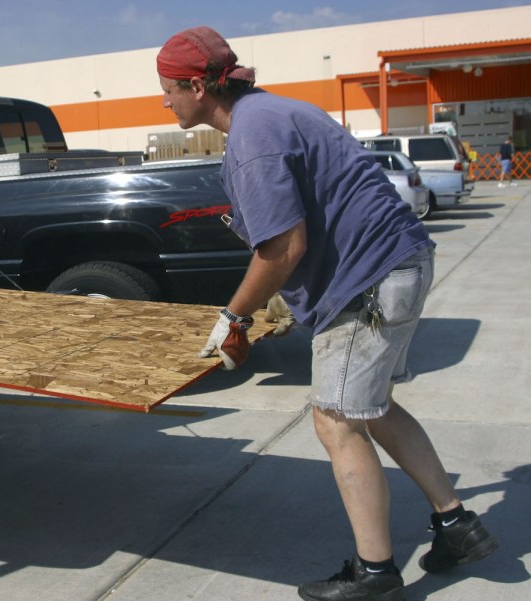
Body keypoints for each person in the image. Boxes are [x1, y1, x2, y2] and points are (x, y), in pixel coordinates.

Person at [156, 26, 498, 601]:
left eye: (169, 89)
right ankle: (456, 525)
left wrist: (233, 317)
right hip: (399, 262)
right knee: (372, 407)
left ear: (196, 86)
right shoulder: (273, 111)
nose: (165, 101)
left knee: (336, 418)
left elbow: (284, 247)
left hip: (369, 281)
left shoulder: (253, 137)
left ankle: (376, 574)